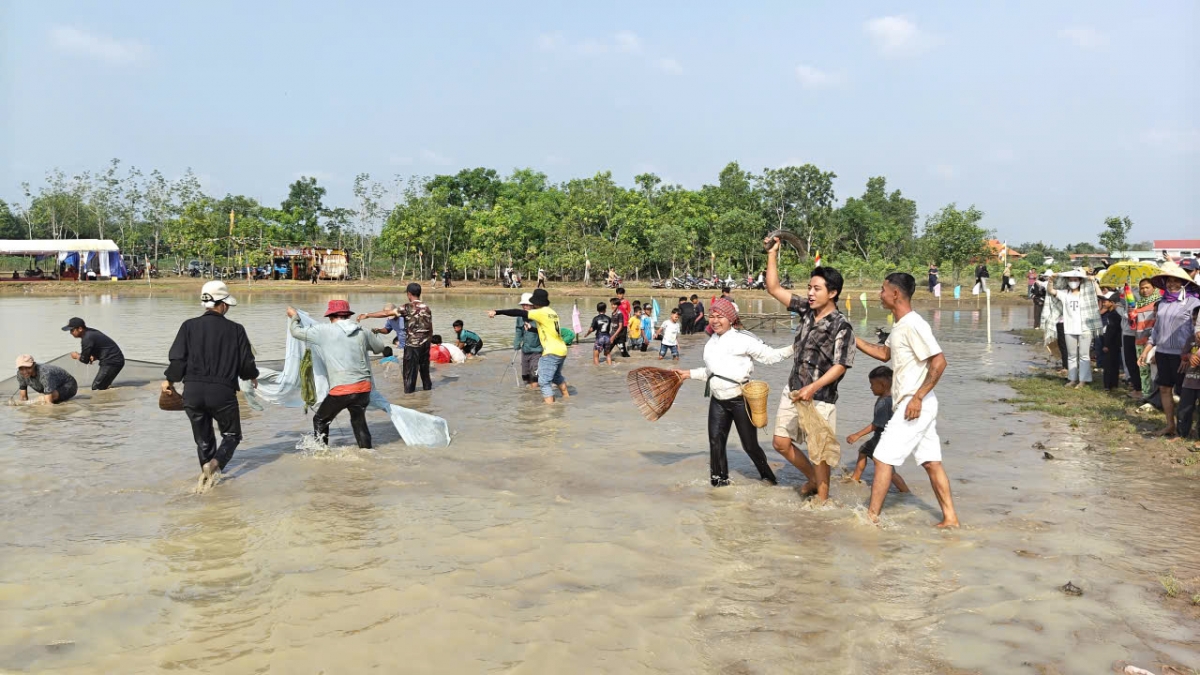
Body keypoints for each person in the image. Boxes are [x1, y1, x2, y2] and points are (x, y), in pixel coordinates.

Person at [854, 273, 959, 527]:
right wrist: (852, 339)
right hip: (917, 404)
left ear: (895, 294)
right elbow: (883, 353)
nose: (879, 294)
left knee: (881, 457)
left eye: (882, 289)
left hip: (914, 404)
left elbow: (939, 361)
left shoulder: (914, 324)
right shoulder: (900, 325)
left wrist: (917, 397)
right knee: (932, 462)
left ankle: (871, 519)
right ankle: (950, 519)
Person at [763, 236, 854, 503]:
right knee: (780, 442)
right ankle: (813, 479)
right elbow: (773, 287)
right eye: (809, 288)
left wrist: (812, 388)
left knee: (820, 452)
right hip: (793, 389)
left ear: (833, 293)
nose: (810, 293)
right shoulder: (805, 310)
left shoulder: (841, 326)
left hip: (820, 397)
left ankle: (822, 501)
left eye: (817, 289)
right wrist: (772, 253)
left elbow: (841, 366)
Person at [676, 298, 794, 486]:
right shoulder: (712, 342)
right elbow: (712, 373)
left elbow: (771, 356)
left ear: (731, 319)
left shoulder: (743, 340)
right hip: (718, 400)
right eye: (712, 316)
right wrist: (687, 374)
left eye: (720, 316)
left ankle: (768, 479)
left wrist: (794, 348)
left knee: (749, 445)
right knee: (715, 443)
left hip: (741, 400)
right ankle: (719, 483)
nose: (715, 320)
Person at [163, 281, 258, 488]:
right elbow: (245, 364)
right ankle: (214, 465)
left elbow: (177, 360)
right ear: (222, 304)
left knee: (204, 440)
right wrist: (253, 376)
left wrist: (169, 381)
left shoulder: (188, 326)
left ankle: (207, 478)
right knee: (232, 435)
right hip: (222, 392)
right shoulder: (236, 329)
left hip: (193, 393)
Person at [287, 300, 385, 449]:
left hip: (342, 389)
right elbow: (380, 348)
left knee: (320, 420)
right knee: (358, 421)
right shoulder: (362, 331)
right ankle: (367, 452)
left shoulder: (323, 331)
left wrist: (294, 316)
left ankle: (322, 455)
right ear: (347, 315)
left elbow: (295, 332)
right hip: (364, 388)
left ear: (331, 316)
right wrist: (374, 333)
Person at [1139, 263, 1200, 436]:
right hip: (1163, 352)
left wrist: (1188, 355)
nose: (1172, 284)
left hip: (1183, 356)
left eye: (1176, 281)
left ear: (1184, 283)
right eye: (1168, 281)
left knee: (1187, 393)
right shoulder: (1164, 302)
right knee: (1165, 389)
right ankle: (1169, 425)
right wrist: (1147, 349)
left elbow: (1197, 332)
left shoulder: (1194, 302)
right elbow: (1157, 329)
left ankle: (1190, 427)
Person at [489, 288, 570, 404]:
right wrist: (532, 329)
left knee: (544, 382)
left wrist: (497, 312)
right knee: (556, 377)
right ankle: (567, 398)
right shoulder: (552, 312)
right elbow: (548, 330)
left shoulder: (541, 312)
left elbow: (518, 312)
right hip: (561, 350)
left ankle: (550, 410)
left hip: (551, 352)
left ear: (536, 303)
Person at [846, 366, 910, 493]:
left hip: (883, 438)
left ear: (883, 384)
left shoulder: (884, 402)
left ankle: (905, 491)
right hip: (882, 437)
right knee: (863, 451)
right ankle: (855, 478)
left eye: (872, 384)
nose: (870, 387)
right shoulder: (891, 398)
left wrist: (857, 435)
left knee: (887, 469)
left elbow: (876, 424)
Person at [1046, 270, 1100, 388]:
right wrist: (1051, 280)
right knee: (1071, 355)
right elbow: (1051, 291)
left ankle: (1083, 380)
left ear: (1080, 281)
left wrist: (1093, 280)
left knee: (1084, 355)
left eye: (1075, 280)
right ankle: (1072, 379)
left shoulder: (1086, 294)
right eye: (1070, 280)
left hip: (1085, 328)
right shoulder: (1065, 293)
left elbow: (1099, 294)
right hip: (1069, 328)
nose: (1073, 282)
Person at [388, 283, 433, 394]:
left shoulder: (407, 307)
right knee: (425, 373)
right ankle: (427, 394)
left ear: (409, 294)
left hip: (412, 346)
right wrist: (428, 342)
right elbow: (430, 328)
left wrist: (368, 315)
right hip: (425, 345)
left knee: (409, 374)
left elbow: (387, 313)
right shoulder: (427, 308)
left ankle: (409, 398)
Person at [63, 317, 125, 390]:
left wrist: (76, 356)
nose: (70, 333)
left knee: (96, 388)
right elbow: (101, 346)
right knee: (103, 386)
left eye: (72, 330)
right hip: (114, 360)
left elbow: (84, 360)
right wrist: (94, 356)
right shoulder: (90, 333)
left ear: (80, 329)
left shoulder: (87, 338)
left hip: (112, 362)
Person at [1130, 278, 1161, 400]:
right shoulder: (1137, 304)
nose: (1144, 290)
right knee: (1143, 370)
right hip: (1139, 340)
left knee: (1155, 371)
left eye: (1147, 287)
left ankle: (1156, 398)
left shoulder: (1159, 303)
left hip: (1153, 342)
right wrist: (1131, 315)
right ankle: (1146, 395)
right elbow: (1133, 325)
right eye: (1142, 288)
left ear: (1154, 288)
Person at [1175, 308, 1200, 442]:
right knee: (1184, 409)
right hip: (1189, 380)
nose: (1196, 323)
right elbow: (1183, 355)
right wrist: (1189, 356)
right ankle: (1182, 434)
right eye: (1194, 320)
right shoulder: (1191, 339)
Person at [513, 292, 542, 389]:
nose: (524, 306)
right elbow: (518, 331)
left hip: (538, 351)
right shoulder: (520, 317)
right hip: (525, 350)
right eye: (523, 304)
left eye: (527, 304)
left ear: (533, 305)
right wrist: (516, 343)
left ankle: (534, 397)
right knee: (525, 377)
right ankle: (528, 398)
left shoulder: (539, 316)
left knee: (534, 377)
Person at [1099, 292, 1123, 391]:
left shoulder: (1114, 315)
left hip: (1112, 344)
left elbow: (1111, 331)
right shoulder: (1112, 314)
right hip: (1115, 343)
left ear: (1112, 302)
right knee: (1114, 364)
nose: (1104, 304)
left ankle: (1108, 385)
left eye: (1106, 302)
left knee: (1109, 365)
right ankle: (1113, 384)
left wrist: (1106, 345)